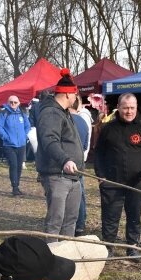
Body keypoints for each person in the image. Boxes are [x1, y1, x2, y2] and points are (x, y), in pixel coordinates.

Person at [94, 93, 141, 259]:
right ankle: (109, 247)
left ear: (136, 108)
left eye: (132, 108)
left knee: (134, 215)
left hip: (137, 182)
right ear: (119, 107)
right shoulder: (108, 128)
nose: (129, 111)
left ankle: (132, 246)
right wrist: (100, 175)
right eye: (125, 108)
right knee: (109, 216)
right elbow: (99, 153)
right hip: (111, 181)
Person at [36, 69, 84, 242]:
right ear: (67, 94)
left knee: (70, 220)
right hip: (58, 175)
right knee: (55, 221)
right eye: (75, 95)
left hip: (73, 176)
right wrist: (65, 159)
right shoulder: (50, 113)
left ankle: (65, 256)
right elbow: (49, 140)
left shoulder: (64, 112)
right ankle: (50, 257)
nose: (76, 99)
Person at [0, 95, 31, 195]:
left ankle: (17, 185)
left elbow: (27, 125)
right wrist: (6, 137)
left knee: (19, 166)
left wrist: (24, 136)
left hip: (21, 144)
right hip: (9, 145)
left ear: (18, 103)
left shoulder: (22, 113)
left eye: (15, 102)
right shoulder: (4, 113)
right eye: (11, 102)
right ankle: (14, 187)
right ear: (8, 102)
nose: (13, 104)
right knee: (14, 165)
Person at [70, 97, 91, 236]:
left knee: (67, 196)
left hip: (66, 164)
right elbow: (85, 145)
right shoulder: (83, 121)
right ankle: (80, 224)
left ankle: (71, 225)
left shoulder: (66, 120)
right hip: (80, 161)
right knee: (80, 193)